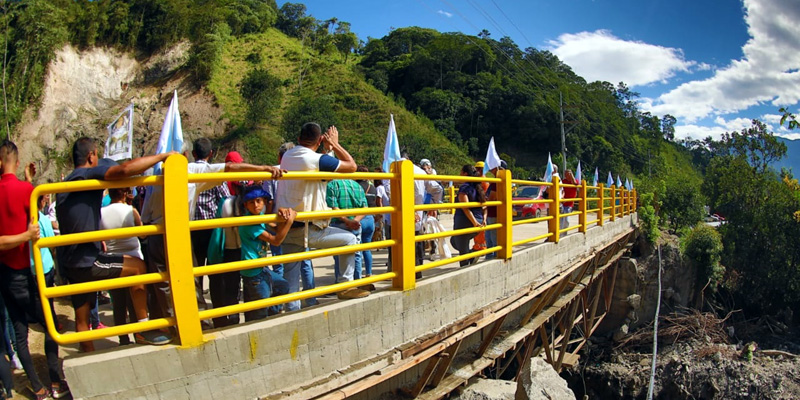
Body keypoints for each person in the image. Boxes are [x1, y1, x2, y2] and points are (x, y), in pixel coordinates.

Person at [140, 138, 283, 324]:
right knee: (216, 276)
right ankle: (216, 317)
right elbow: (226, 187)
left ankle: (173, 323)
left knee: (177, 278)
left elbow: (145, 213)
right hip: (212, 233)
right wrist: (262, 168)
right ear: (210, 154)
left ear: (192, 155)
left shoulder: (155, 176)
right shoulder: (196, 172)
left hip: (185, 232)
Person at [57, 137, 175, 353]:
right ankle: (142, 328)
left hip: (70, 262)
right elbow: (124, 171)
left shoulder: (66, 184)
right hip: (87, 261)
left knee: (82, 316)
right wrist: (162, 156)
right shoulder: (86, 175)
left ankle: (89, 355)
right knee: (138, 267)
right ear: (91, 156)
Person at [0, 140, 68, 399]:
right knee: (50, 324)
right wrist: (25, 235)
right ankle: (54, 380)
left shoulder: (20, 188)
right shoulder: (25, 190)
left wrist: (30, 181)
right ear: (17, 163)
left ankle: (37, 387)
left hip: (4, 274)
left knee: (19, 332)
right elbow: (33, 221)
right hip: (24, 272)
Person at [276, 123, 370, 306]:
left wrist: (327, 152)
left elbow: (322, 172)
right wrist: (335, 145)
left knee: (291, 280)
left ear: (298, 139)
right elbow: (352, 166)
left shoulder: (288, 156)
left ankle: (291, 313)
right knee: (349, 240)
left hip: (287, 226)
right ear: (320, 140)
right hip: (308, 229)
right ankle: (345, 286)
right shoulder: (313, 159)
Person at [262, 144, 317, 307]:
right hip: (300, 222)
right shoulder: (304, 169)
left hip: (279, 222)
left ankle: (282, 304)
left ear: (280, 157)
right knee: (305, 262)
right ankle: (311, 298)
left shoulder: (272, 172)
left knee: (281, 263)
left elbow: (269, 201)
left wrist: (271, 223)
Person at [238, 185, 294, 321]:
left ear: (264, 202)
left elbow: (275, 227)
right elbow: (275, 240)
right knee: (259, 309)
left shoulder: (259, 216)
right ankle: (261, 326)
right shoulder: (249, 223)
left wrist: (282, 214)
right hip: (253, 272)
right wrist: (289, 221)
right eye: (251, 202)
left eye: (259, 201)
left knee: (282, 286)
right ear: (246, 204)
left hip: (261, 268)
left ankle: (272, 317)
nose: (256, 205)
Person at [190, 138, 232, 317]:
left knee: (195, 272)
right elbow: (227, 199)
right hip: (212, 229)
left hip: (192, 230)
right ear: (211, 154)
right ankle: (219, 313)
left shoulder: (188, 172)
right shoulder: (214, 175)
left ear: (193, 154)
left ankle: (197, 312)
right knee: (215, 271)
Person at [99, 188, 143, 345]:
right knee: (134, 300)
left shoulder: (101, 212)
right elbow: (143, 233)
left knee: (118, 303)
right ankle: (139, 333)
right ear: (125, 193)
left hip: (113, 261)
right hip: (134, 259)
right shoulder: (131, 210)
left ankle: (123, 338)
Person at [326, 177, 368, 283]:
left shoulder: (332, 185)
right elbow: (365, 208)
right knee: (356, 254)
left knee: (339, 256)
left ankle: (341, 285)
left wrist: (346, 221)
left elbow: (333, 207)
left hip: (339, 224)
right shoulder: (357, 185)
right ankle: (357, 282)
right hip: (356, 224)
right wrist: (354, 220)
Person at [450, 164, 487, 267]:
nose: (459, 175)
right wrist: (483, 220)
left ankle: (465, 268)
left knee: (462, 249)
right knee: (455, 241)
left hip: (466, 221)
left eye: (461, 172)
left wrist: (474, 221)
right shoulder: (478, 187)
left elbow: (465, 207)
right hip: (478, 221)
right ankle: (471, 255)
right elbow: (485, 207)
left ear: (465, 174)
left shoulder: (465, 187)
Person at [355, 166, 377, 277]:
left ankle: (357, 276)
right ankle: (369, 272)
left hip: (359, 218)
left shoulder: (355, 186)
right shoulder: (372, 188)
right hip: (370, 219)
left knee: (357, 249)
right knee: (367, 248)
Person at [485, 160, 508, 259]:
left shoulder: (497, 182)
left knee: (493, 235)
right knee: (490, 235)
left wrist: (485, 200)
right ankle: (491, 253)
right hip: (492, 212)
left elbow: (492, 197)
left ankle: (494, 254)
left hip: (494, 212)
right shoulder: (496, 181)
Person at [472, 161, 489, 253]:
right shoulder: (484, 179)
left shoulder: (481, 180)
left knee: (480, 229)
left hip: (481, 206)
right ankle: (480, 245)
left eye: (479, 169)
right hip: (482, 205)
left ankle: (480, 246)